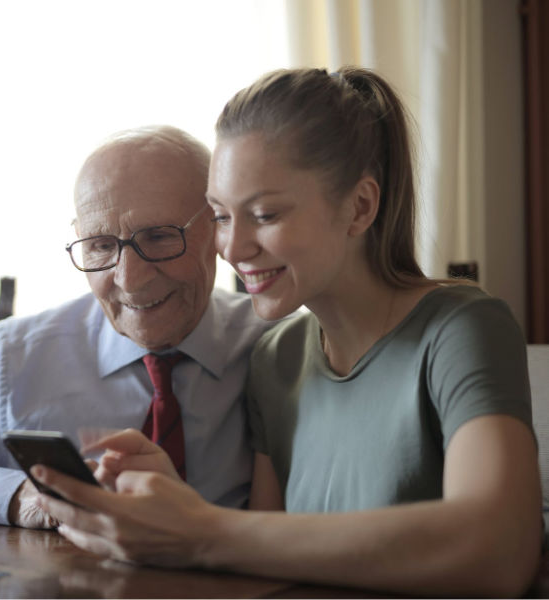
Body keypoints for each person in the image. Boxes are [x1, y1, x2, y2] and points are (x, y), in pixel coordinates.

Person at [33, 67, 543, 596]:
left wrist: (199, 528)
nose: (231, 249)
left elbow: (500, 550)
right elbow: (264, 563)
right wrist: (172, 504)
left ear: (360, 207)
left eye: (264, 214)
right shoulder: (277, 357)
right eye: (222, 217)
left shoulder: (461, 328)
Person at [0, 125, 272, 529]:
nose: (129, 279)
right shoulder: (17, 357)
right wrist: (15, 495)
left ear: (218, 227)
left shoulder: (280, 348)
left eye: (158, 237)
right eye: (100, 245)